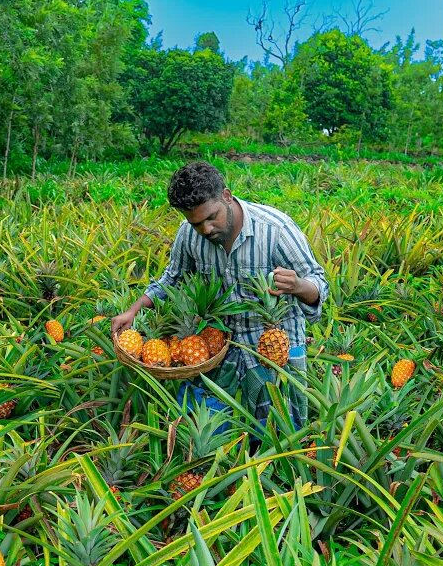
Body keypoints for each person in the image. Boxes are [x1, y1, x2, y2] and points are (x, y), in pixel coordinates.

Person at [110, 161, 329, 430]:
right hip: (216, 345)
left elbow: (319, 283)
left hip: (275, 349)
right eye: (196, 223)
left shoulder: (275, 230)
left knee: (278, 435)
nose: (206, 230)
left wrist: (298, 286)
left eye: (211, 217)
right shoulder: (189, 235)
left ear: (226, 196)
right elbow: (173, 279)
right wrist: (133, 310)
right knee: (196, 430)